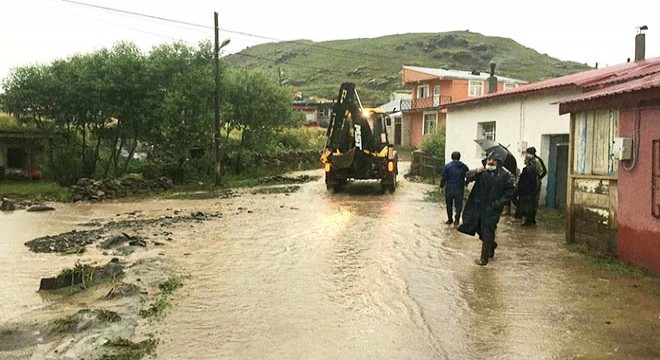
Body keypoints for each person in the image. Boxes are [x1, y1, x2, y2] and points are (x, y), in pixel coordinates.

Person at [457, 151, 516, 266]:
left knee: (488, 230)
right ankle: (491, 245)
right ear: (486, 161)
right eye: (489, 159)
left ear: (498, 162)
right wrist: (475, 171)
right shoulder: (481, 172)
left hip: (493, 209)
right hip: (478, 207)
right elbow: (467, 175)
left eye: (494, 160)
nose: (491, 162)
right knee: (479, 229)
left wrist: (499, 203)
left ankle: (484, 259)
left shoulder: (504, 175)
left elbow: (511, 192)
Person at [440, 151, 469, 225]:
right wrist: (466, 183)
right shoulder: (464, 167)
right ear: (459, 157)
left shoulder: (447, 166)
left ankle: (450, 219)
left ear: (451, 157)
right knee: (459, 204)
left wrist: (441, 186)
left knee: (449, 204)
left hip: (449, 188)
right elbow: (468, 175)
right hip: (459, 188)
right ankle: (457, 219)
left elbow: (443, 178)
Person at [517, 153, 538, 226]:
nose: (524, 160)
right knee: (531, 205)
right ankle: (531, 220)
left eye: (525, 159)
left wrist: (520, 188)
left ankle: (527, 221)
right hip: (531, 191)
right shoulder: (534, 168)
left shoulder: (527, 169)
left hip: (527, 191)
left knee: (526, 206)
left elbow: (526, 181)